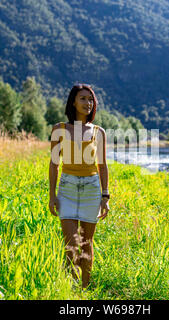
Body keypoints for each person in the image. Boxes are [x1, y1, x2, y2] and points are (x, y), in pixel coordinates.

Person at [48, 83, 110, 289]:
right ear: (73, 102)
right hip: (67, 188)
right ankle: (69, 288)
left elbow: (102, 166)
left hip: (92, 188)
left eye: (91, 99)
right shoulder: (60, 129)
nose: (88, 103)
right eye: (83, 98)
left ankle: (84, 290)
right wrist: (52, 195)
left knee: (85, 243)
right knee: (71, 245)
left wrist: (105, 197)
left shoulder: (98, 132)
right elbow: (54, 164)